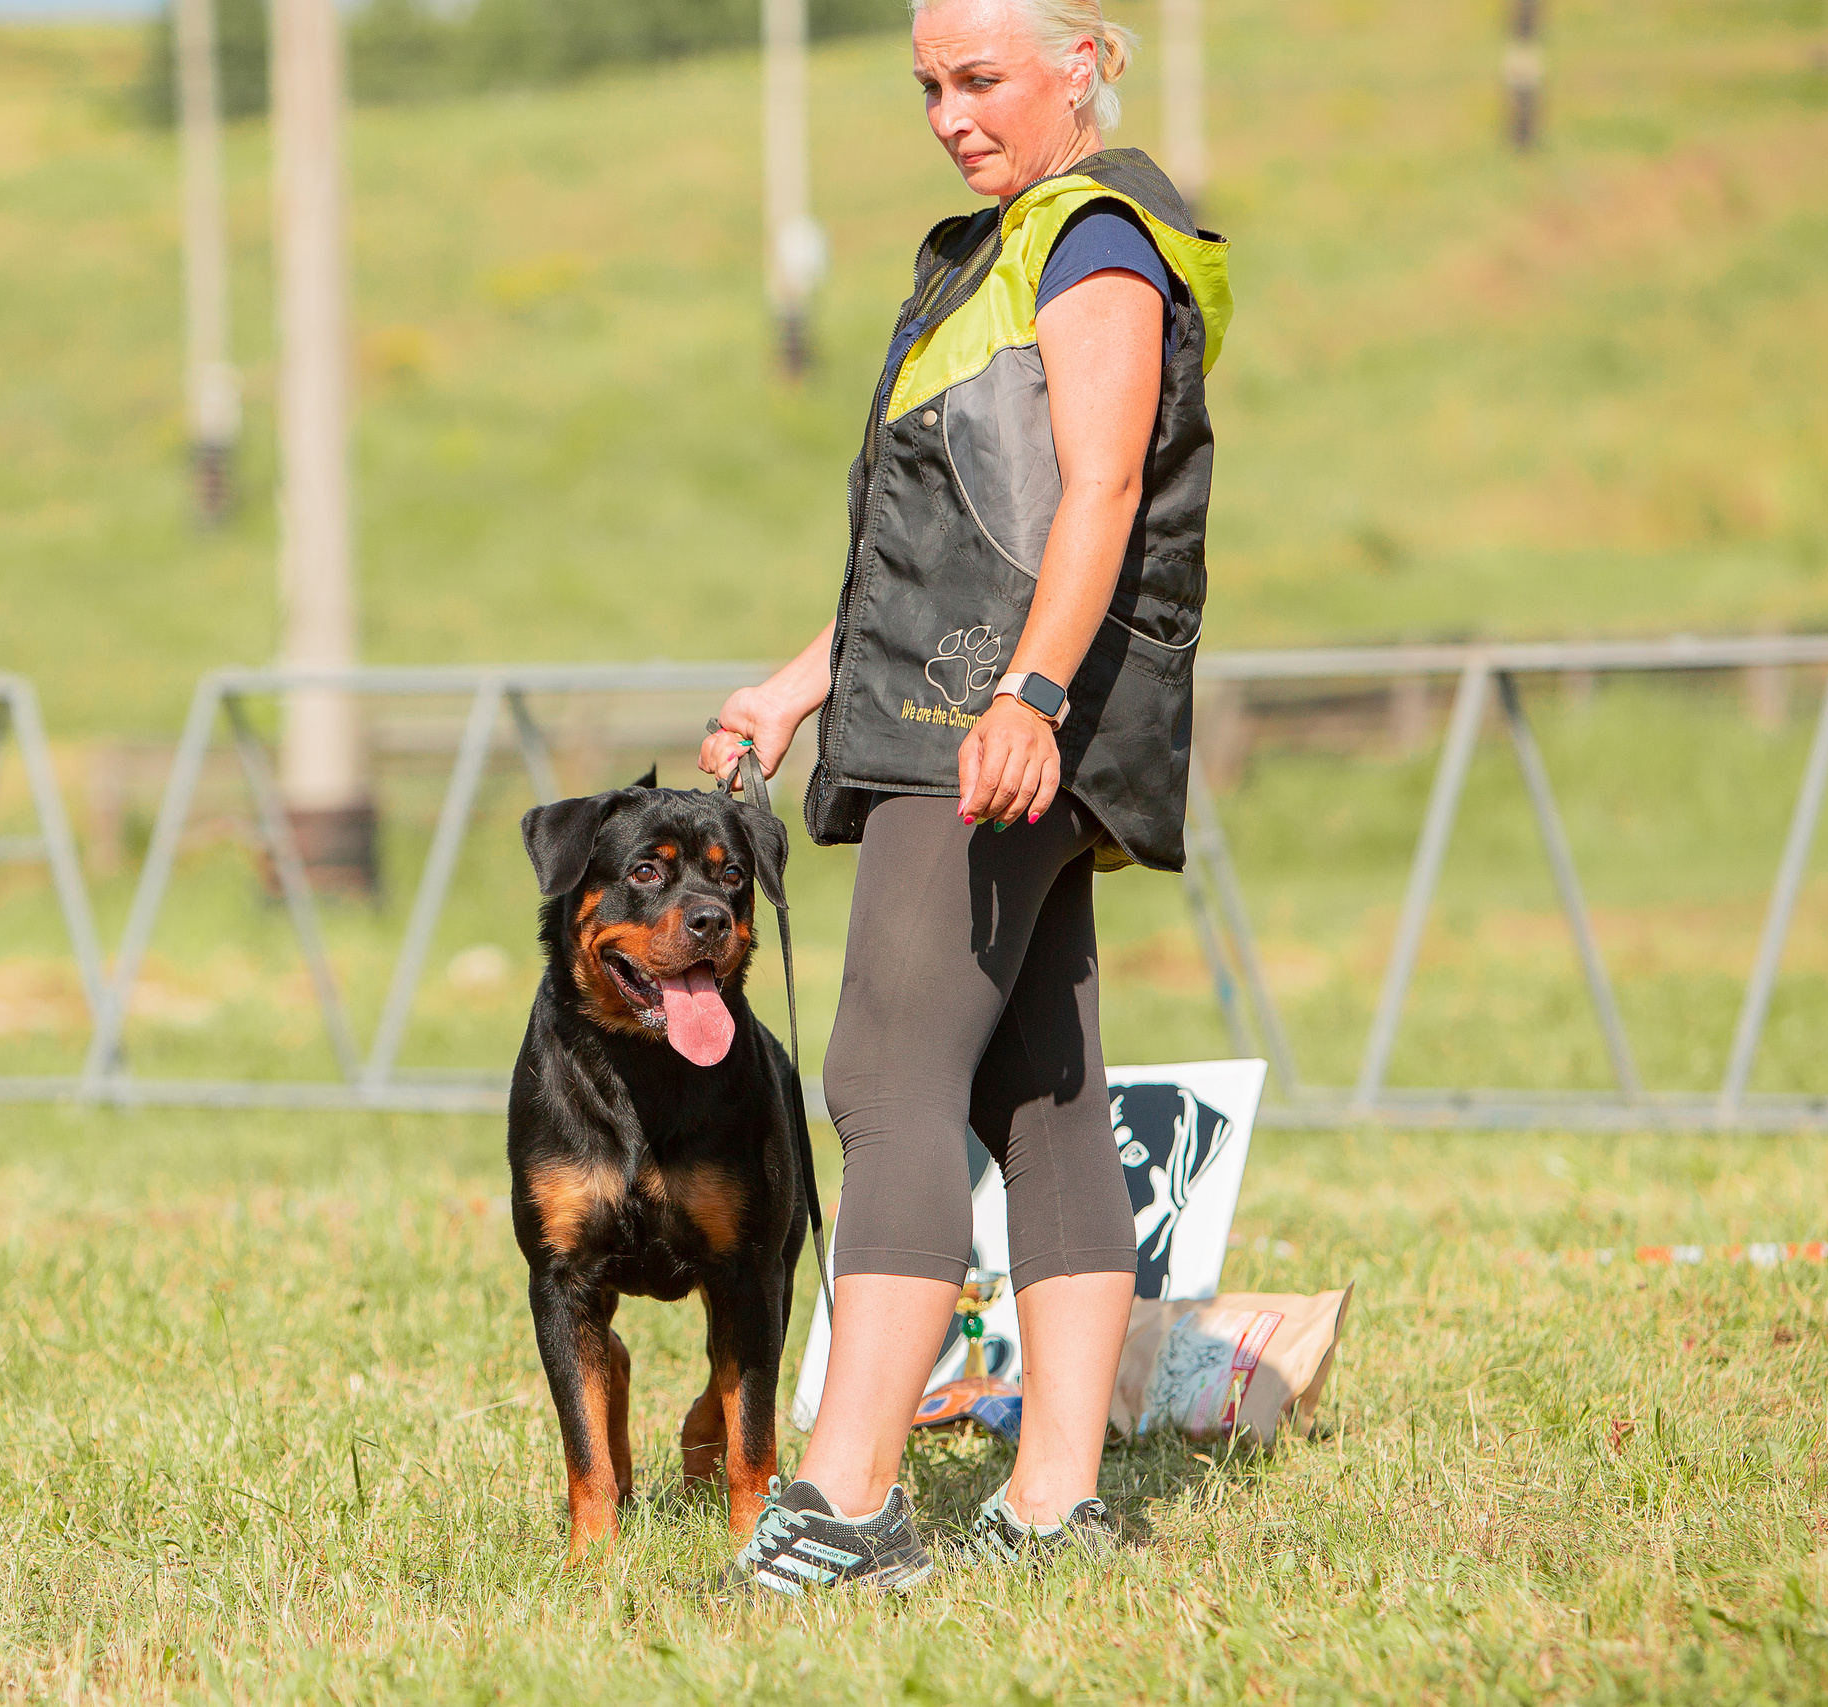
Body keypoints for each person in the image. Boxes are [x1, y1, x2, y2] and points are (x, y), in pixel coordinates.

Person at [698, 0, 1230, 1593]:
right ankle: (1056, 1500)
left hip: (992, 730)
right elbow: (946, 548)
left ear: (1085, 59)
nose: (949, 113)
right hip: (985, 708)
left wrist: (1031, 696)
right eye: (928, 83)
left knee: (884, 1068)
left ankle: (850, 1499)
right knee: (1043, 1092)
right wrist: (799, 684)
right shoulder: (1010, 247)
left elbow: (1102, 488)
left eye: (981, 78)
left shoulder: (1094, 242)